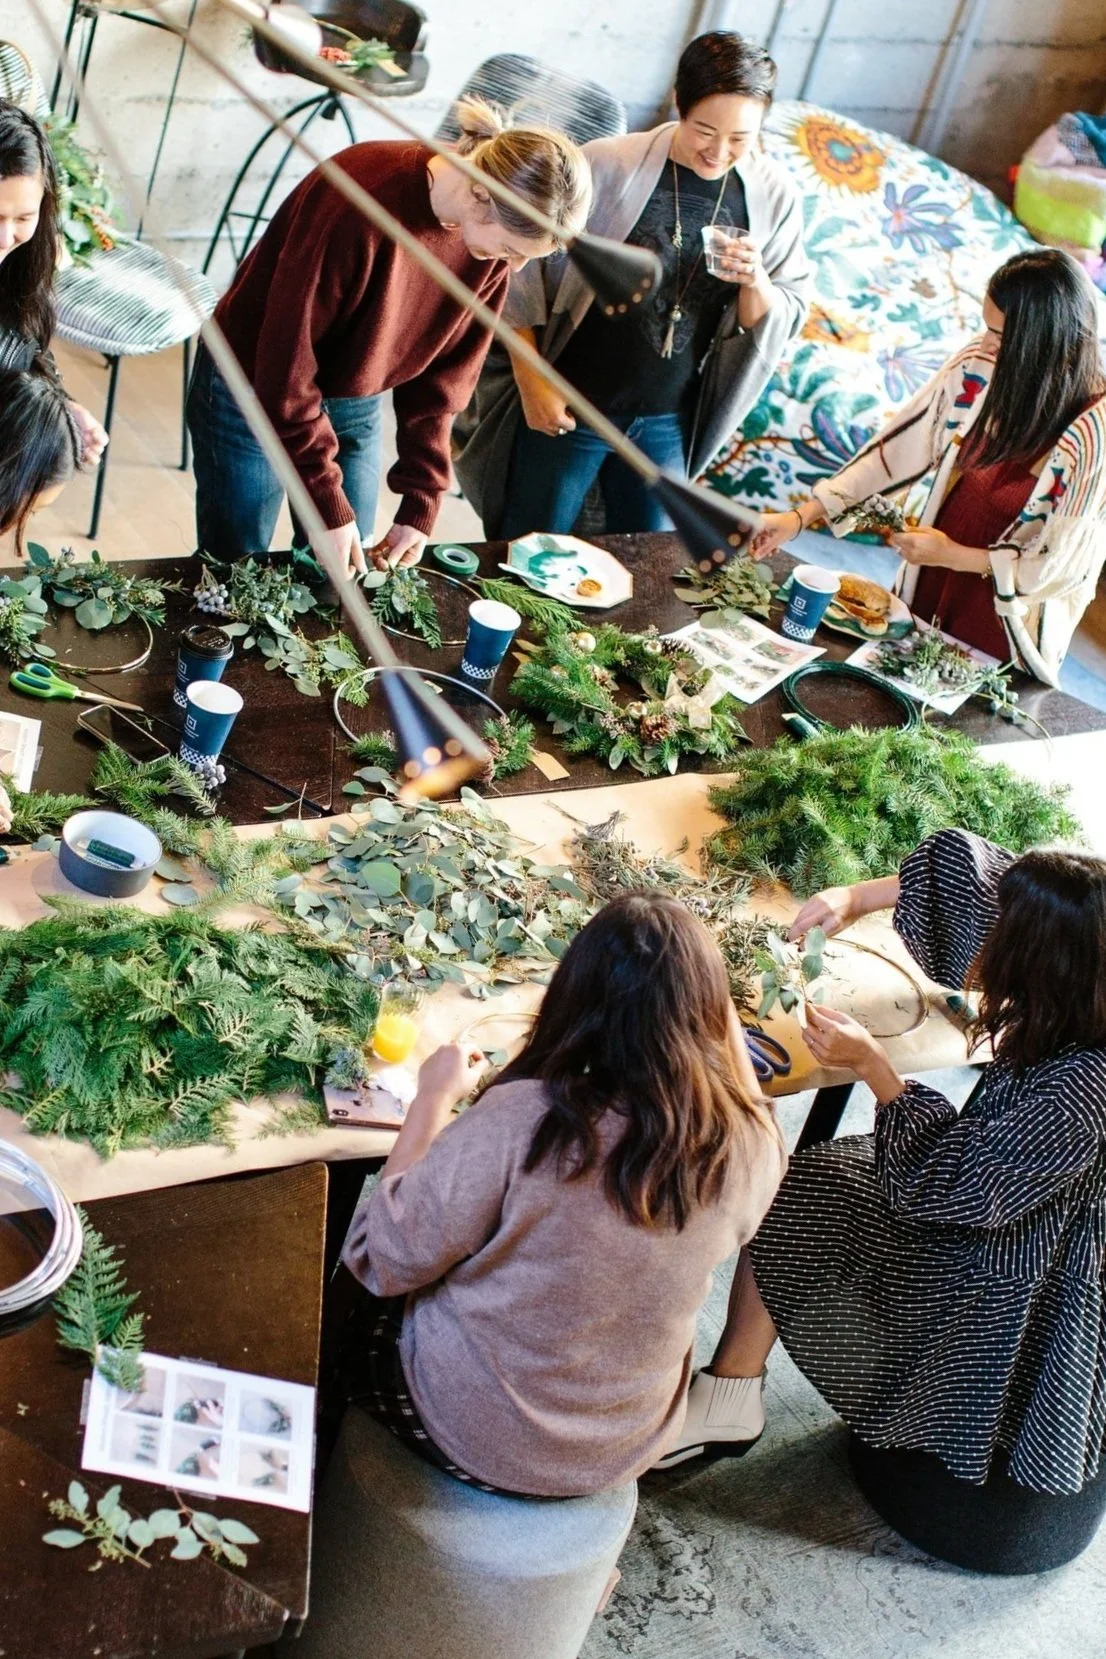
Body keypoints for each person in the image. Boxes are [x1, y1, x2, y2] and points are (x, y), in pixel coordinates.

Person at [659, 828, 1106, 1499]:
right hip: (994, 1182)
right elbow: (976, 871)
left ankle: (730, 1397)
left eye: (1001, 940)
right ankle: (733, 1387)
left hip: (1007, 1256)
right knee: (817, 1174)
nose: (983, 946)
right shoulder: (1088, 949)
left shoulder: (1084, 1088)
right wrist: (858, 896)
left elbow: (955, 1185)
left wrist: (875, 1068)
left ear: (1043, 962)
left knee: (798, 1191)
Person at [339, 894, 785, 1497]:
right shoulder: (753, 1143)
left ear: (575, 996)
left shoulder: (528, 1121)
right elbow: (748, 1096)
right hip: (622, 1446)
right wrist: (702, 992)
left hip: (475, 1436)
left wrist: (433, 1099)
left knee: (355, 1304)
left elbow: (382, 1257)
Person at [188, 99, 591, 578]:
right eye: (511, 249)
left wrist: (422, 497)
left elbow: (445, 378)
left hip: (353, 389)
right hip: (251, 382)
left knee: (345, 563)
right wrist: (325, 504)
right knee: (238, 562)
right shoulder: (359, 201)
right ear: (481, 194)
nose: (514, 267)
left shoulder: (488, 249)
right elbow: (286, 370)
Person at [454, 31, 810, 540]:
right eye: (705, 130)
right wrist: (533, 382)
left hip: (667, 420)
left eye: (740, 138)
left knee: (650, 557)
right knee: (530, 547)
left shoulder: (774, 196)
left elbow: (775, 315)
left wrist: (756, 281)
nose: (719, 151)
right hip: (572, 398)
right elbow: (520, 275)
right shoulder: (606, 164)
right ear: (678, 103)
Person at [752, 248, 1106, 685]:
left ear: (1043, 343)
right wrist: (801, 516)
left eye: (1001, 335)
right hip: (930, 579)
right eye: (987, 327)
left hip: (1004, 622)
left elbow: (1057, 568)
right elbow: (899, 447)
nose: (986, 342)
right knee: (879, 691)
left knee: (957, 716)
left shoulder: (1093, 432)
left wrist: (952, 555)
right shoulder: (981, 366)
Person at [0, 100, 108, 467]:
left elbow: (26, 350)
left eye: (23, 218)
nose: (5, 238)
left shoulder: (22, 268)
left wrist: (56, 406)